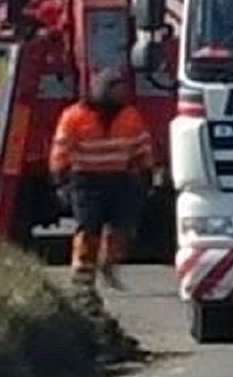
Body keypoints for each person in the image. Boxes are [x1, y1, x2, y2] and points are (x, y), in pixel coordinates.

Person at [50, 70, 156, 290]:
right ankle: (82, 277)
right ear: (101, 89)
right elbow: (61, 149)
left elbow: (142, 145)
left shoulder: (130, 115)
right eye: (115, 88)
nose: (120, 93)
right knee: (88, 229)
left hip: (120, 179)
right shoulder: (74, 116)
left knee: (120, 228)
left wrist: (146, 173)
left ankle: (108, 265)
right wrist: (60, 178)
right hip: (85, 181)